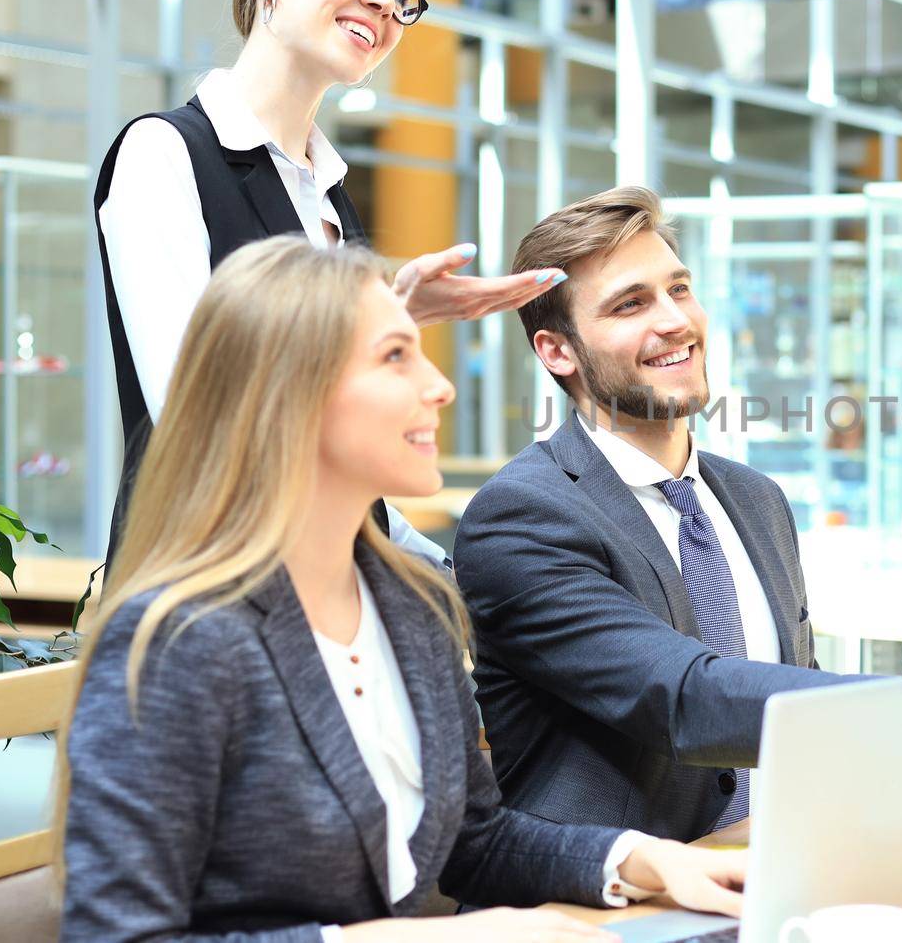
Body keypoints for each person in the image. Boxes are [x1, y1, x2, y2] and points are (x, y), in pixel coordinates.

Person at [61, 238, 747, 942]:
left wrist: (641, 860)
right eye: (395, 356)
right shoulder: (184, 639)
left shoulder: (411, 604)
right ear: (285, 394)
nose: (439, 385)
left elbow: (472, 841)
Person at [454, 186, 902, 841]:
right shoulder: (524, 517)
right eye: (630, 304)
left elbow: (794, 710)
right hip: (594, 914)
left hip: (759, 887)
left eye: (679, 288)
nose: (674, 319)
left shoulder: (755, 500)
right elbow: (689, 699)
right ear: (557, 351)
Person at [92, 0, 562, 559]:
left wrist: (453, 573)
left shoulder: (328, 198)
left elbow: (348, 469)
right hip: (206, 586)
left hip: (325, 584)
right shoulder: (165, 154)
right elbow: (194, 419)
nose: (384, 3)